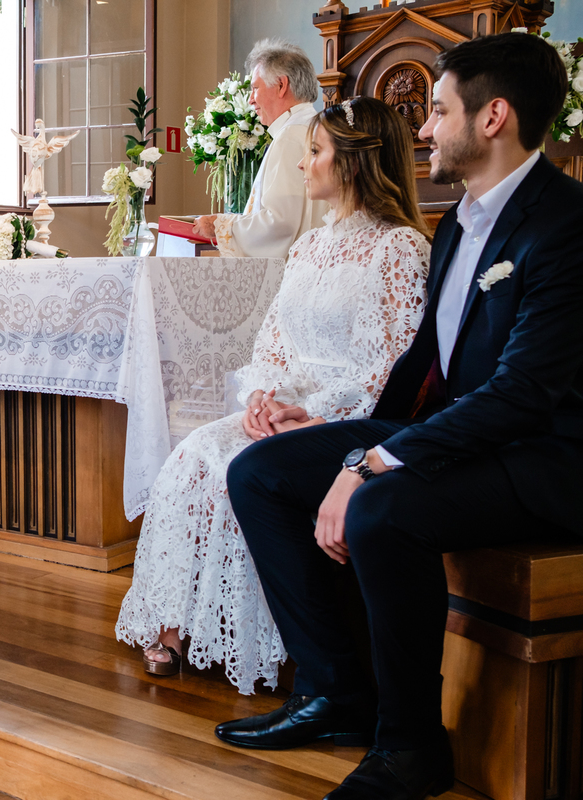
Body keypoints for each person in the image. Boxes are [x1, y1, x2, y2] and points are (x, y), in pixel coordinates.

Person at [221, 33, 583, 800]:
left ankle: (412, 745)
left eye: (439, 111)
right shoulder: (454, 223)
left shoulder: (567, 227)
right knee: (258, 471)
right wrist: (339, 438)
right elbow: (425, 360)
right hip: (465, 438)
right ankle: (336, 693)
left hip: (545, 458)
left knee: (382, 509)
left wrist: (373, 462)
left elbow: (523, 395)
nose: (422, 128)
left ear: (494, 117)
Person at [117, 97, 430, 693]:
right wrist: (262, 395)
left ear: (356, 161)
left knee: (240, 464)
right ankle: (187, 621)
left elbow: (388, 369)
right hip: (284, 404)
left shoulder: (400, 249)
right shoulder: (309, 247)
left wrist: (309, 414)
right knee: (195, 453)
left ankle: (256, 637)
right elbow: (274, 341)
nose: (303, 164)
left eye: (315, 151)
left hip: (344, 416)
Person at [192, 39, 330, 258]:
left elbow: (280, 223)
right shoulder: (316, 126)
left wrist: (221, 225)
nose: (251, 100)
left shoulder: (291, 136)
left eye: (255, 88)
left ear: (282, 85)